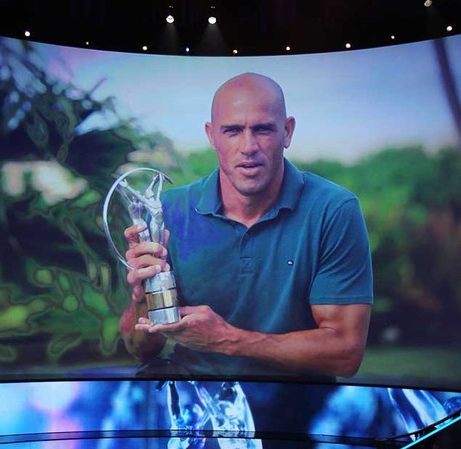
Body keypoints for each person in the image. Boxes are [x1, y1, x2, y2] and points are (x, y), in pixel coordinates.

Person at [119, 72, 372, 381]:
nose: (248, 146)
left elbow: (345, 355)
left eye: (263, 129)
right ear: (212, 136)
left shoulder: (333, 210)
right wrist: (142, 299)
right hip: (194, 401)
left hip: (297, 406)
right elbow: (140, 348)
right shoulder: (169, 211)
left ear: (287, 132)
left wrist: (228, 339)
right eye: (233, 131)